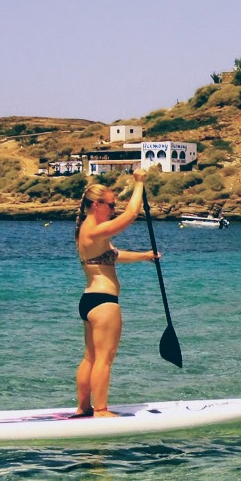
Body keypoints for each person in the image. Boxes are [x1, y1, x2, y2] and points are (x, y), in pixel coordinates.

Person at [73, 171, 159, 417]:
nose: (113, 209)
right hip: (104, 303)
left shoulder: (89, 231)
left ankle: (83, 407)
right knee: (104, 359)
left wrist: (145, 256)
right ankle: (100, 410)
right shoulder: (93, 230)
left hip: (89, 300)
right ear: (97, 205)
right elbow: (131, 215)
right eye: (111, 205)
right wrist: (139, 183)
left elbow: (114, 255)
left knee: (90, 357)